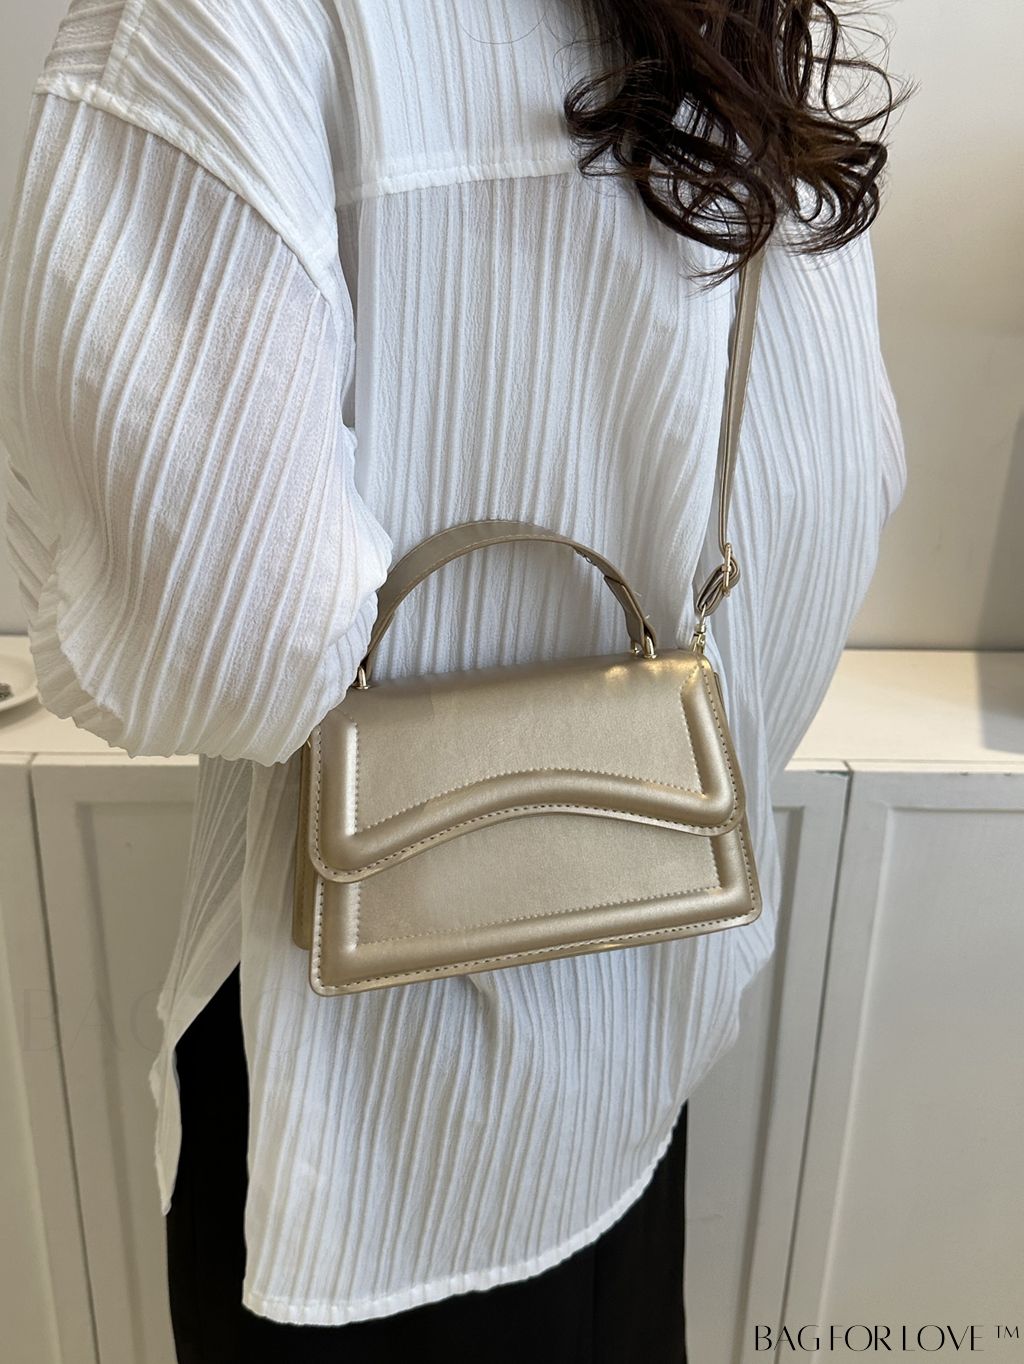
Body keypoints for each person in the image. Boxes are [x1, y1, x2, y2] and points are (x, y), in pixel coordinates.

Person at [0, 1, 908, 1359]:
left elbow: (218, 649)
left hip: (359, 1124)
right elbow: (838, 491)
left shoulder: (213, 21)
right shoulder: (732, 27)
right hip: (637, 1035)